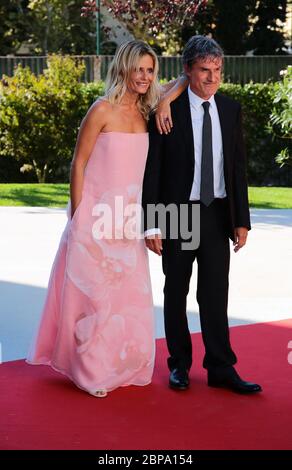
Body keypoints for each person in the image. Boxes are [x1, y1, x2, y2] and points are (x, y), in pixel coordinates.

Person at [27, 40, 188, 398]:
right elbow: (78, 164)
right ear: (125, 69)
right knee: (95, 302)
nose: (145, 77)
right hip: (95, 219)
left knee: (125, 303)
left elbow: (184, 79)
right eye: (139, 69)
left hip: (129, 223)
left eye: (150, 70)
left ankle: (121, 366)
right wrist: (78, 214)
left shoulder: (148, 113)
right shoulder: (101, 110)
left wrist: (164, 99)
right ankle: (91, 372)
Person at [142, 35, 262, 394]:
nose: (212, 78)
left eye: (217, 70)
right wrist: (152, 221)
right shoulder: (168, 112)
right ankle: (179, 364)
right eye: (204, 71)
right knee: (176, 290)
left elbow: (236, 168)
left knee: (214, 293)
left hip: (215, 213)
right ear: (188, 71)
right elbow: (154, 169)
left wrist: (241, 219)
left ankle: (221, 367)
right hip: (177, 213)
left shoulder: (229, 109)